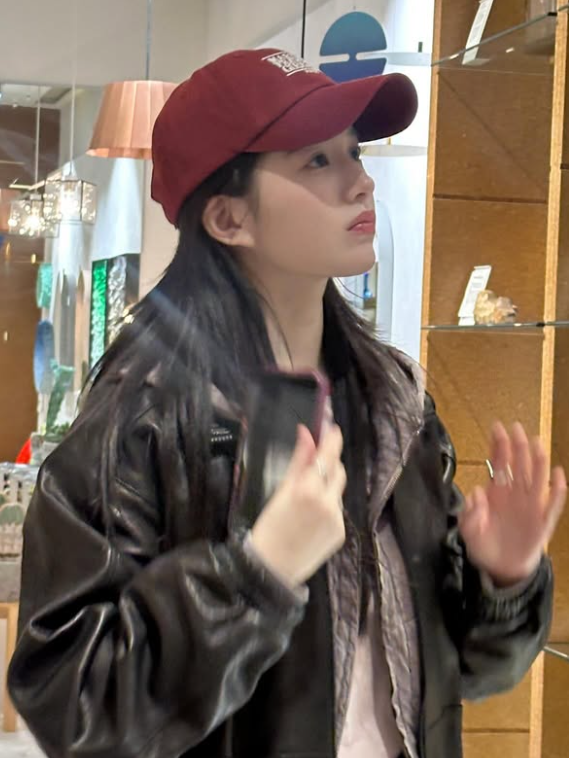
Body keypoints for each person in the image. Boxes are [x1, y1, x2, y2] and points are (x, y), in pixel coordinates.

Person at [7, 48, 566, 758]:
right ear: (228, 218)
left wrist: (502, 579)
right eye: (316, 161)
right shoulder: (141, 421)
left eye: (354, 152)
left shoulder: (394, 407)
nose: (360, 181)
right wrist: (256, 575)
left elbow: (457, 675)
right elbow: (73, 706)